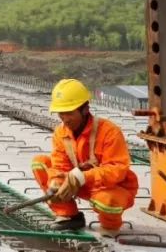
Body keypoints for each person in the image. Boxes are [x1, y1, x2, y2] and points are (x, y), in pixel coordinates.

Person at [31, 79, 138, 236]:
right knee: (39, 164)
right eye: (61, 113)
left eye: (69, 113)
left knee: (107, 202)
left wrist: (82, 176)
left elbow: (117, 170)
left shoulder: (109, 132)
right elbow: (59, 166)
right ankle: (68, 215)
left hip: (109, 187)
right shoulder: (61, 133)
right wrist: (55, 184)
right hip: (76, 183)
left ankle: (110, 225)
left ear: (85, 109)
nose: (65, 119)